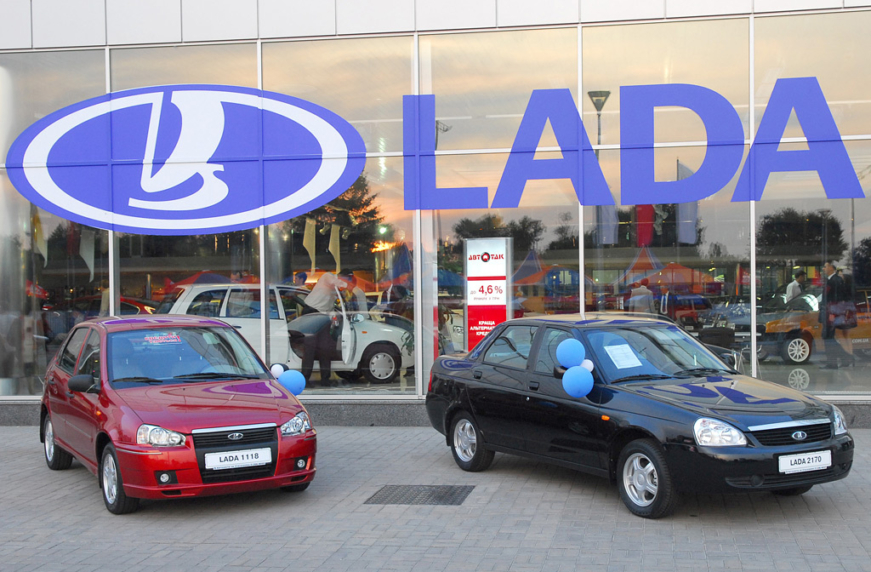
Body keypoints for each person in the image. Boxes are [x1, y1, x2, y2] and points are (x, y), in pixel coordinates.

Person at [820, 261, 853, 369]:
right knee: (828, 337)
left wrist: (833, 313)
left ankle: (843, 358)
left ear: (831, 267)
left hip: (831, 313)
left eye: (825, 266)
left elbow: (837, 299)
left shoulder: (835, 281)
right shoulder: (831, 280)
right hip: (829, 312)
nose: (823, 269)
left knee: (828, 337)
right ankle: (836, 360)